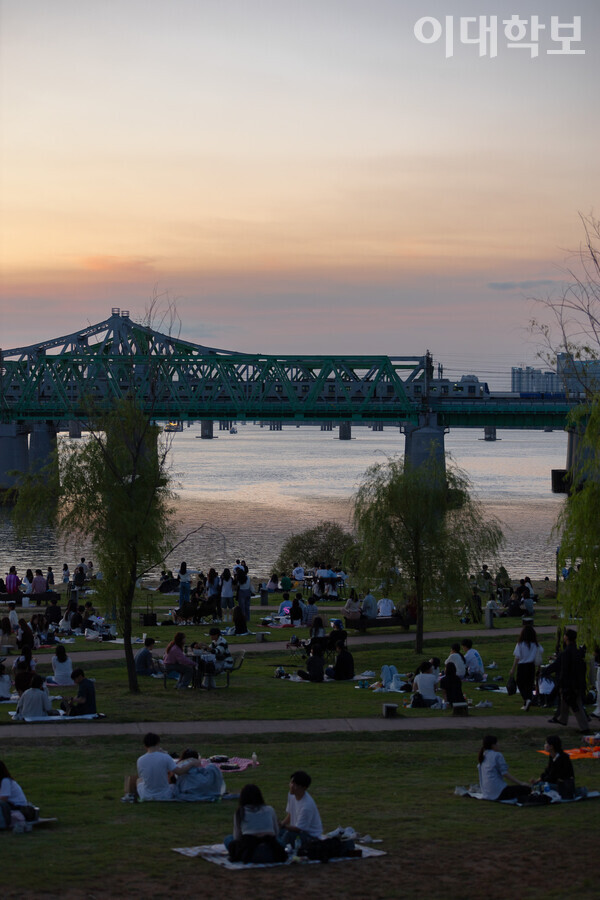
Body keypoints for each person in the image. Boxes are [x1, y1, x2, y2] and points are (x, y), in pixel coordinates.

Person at [122, 732, 207, 802]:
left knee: (139, 780)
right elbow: (180, 772)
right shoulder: (165, 757)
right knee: (173, 785)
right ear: (158, 743)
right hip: (164, 795)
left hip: (146, 795)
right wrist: (191, 763)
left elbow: (143, 776)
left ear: (145, 746)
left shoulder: (140, 760)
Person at [225, 784, 287, 864]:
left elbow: (237, 836)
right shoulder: (269, 809)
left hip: (250, 854)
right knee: (281, 840)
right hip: (272, 852)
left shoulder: (240, 812)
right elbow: (276, 832)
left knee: (228, 839)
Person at [548, 629, 590, 732]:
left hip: (570, 683)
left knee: (575, 704)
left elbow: (565, 669)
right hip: (577, 681)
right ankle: (562, 719)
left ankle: (584, 727)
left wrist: (561, 683)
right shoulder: (577, 651)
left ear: (566, 638)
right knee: (565, 699)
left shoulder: (567, 652)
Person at [477, 735, 531, 802]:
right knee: (527, 789)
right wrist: (521, 783)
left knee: (515, 789)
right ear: (493, 745)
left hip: (486, 793)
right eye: (497, 744)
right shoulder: (497, 755)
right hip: (499, 792)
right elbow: (505, 773)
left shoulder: (484, 755)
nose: (498, 745)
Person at [278, 770, 323, 849]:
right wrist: (280, 825)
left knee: (288, 835)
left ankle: (278, 850)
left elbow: (299, 829)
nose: (291, 786)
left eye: (295, 785)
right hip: (297, 832)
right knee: (277, 832)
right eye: (291, 783)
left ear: (304, 787)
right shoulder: (292, 795)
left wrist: (283, 826)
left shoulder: (307, 806)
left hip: (310, 837)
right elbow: (290, 814)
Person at [509, 623, 543, 711]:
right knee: (529, 684)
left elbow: (517, 657)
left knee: (520, 683)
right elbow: (539, 655)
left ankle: (526, 699)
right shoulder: (536, 645)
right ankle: (527, 702)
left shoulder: (520, 644)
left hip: (522, 666)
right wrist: (539, 668)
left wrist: (513, 668)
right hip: (531, 666)